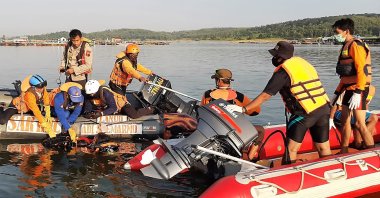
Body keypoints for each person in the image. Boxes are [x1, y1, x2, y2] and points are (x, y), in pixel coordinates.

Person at [229, 41, 332, 163]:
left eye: (275, 55)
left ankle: (288, 176)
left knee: (291, 149)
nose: (273, 58)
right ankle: (330, 170)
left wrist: (243, 109)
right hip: (323, 108)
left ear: (280, 57)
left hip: (304, 114)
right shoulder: (302, 64)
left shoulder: (283, 72)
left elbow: (265, 96)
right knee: (323, 146)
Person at [331, 18, 374, 153]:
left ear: (346, 31)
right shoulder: (345, 46)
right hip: (348, 89)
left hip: (358, 90)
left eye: (337, 32)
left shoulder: (356, 45)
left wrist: (358, 91)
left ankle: (372, 151)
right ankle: (344, 150)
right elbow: (345, 76)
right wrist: (336, 93)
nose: (335, 35)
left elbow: (362, 70)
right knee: (345, 121)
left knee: (360, 123)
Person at [201, 69, 263, 161]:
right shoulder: (238, 96)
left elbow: (202, 112)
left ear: (219, 81)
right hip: (234, 132)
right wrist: (243, 110)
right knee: (261, 130)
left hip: (214, 131)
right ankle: (249, 157)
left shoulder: (207, 95)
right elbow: (256, 111)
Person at [330, 85, 377, 149]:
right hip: (340, 111)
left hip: (356, 111)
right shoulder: (349, 87)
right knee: (373, 117)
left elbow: (365, 104)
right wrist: (331, 119)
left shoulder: (372, 89)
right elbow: (335, 105)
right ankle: (360, 142)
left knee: (365, 117)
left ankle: (362, 142)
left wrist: (366, 113)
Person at [83, 80, 155, 119]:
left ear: (96, 90)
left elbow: (113, 107)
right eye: (90, 94)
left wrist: (101, 114)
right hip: (106, 108)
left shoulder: (105, 93)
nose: (91, 95)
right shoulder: (89, 95)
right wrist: (87, 112)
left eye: (92, 93)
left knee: (134, 115)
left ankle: (151, 109)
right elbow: (88, 105)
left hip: (121, 106)